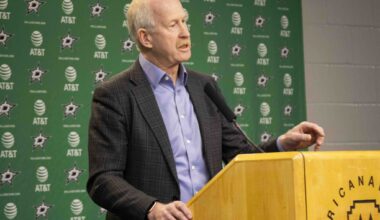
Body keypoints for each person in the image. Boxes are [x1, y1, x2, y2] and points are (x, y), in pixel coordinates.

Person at [86, 0, 325, 219]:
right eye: (173, 25)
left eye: (184, 21)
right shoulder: (115, 94)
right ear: (146, 38)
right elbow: (103, 179)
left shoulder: (205, 87)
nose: (185, 32)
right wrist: (152, 208)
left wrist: (283, 143)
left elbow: (240, 156)